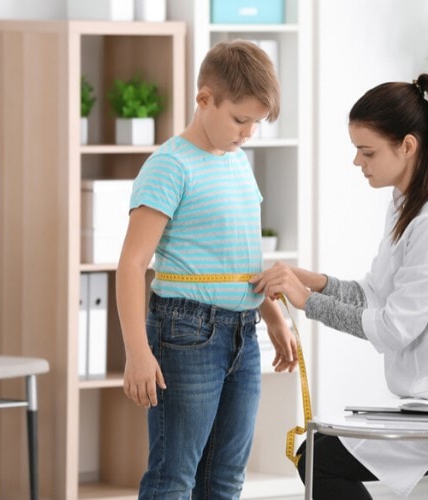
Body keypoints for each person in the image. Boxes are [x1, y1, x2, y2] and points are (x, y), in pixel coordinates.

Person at [251, 73, 428, 499]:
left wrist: (308, 302)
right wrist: (315, 282)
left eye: (367, 152)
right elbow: (374, 294)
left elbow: (396, 328)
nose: (357, 163)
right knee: (317, 450)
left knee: (319, 459)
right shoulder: (406, 202)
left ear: (408, 146)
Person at [116, 40, 298, 499]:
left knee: (225, 478)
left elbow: (243, 254)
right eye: (240, 119)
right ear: (204, 99)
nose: (248, 132)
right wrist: (138, 352)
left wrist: (272, 316)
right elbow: (132, 262)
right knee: (174, 476)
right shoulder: (169, 166)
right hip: (185, 332)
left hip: (243, 332)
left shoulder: (237, 161)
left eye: (256, 122)